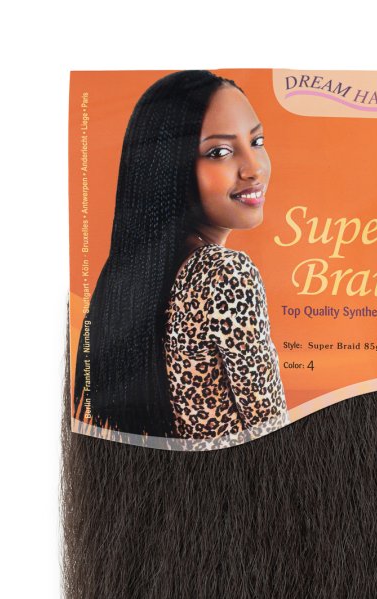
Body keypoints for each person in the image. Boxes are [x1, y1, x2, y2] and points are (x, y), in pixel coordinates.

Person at [75, 70, 287, 444]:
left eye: (257, 141)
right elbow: (272, 430)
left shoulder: (134, 279)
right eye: (219, 152)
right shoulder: (224, 274)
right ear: (169, 167)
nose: (254, 168)